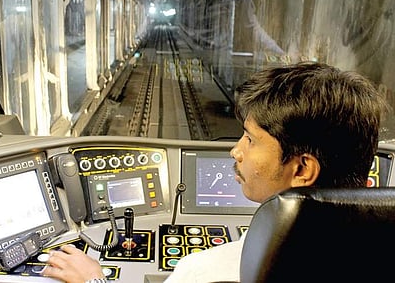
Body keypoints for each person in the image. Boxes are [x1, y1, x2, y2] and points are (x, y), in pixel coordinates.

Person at [42, 62, 388, 283]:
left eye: (251, 140)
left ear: (302, 169)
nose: (236, 150)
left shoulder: (208, 271)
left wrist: (94, 280)